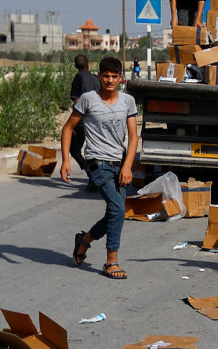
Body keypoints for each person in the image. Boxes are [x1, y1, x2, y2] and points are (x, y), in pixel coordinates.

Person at [61, 57, 138, 279]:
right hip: (97, 162)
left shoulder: (128, 101)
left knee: (116, 213)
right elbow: (68, 128)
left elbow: (133, 137)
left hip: (119, 163)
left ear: (121, 78)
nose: (110, 80)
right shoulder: (88, 99)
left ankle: (84, 240)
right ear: (99, 76)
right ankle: (111, 262)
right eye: (106, 76)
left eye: (114, 76)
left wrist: (128, 166)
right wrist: (66, 160)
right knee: (118, 210)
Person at [68, 55, 102, 192]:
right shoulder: (95, 78)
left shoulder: (78, 79)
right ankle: (98, 177)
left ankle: (92, 176)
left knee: (75, 150)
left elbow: (76, 103)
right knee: (95, 151)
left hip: (82, 120)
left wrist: (73, 124)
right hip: (97, 120)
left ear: (76, 66)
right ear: (88, 64)